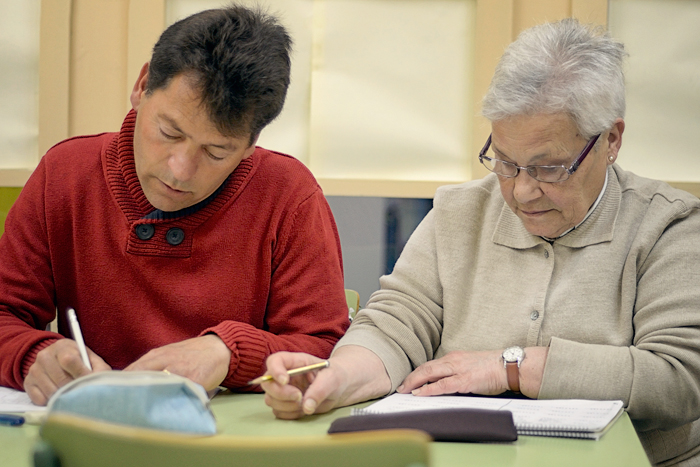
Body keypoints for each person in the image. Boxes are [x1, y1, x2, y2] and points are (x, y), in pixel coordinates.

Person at [261, 19, 700, 466]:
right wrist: (335, 378)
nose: (522, 191)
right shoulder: (459, 212)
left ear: (611, 140)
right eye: (505, 161)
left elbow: (679, 379)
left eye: (549, 168)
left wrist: (511, 367)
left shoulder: (667, 225)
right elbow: (396, 323)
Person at [0, 6, 349, 406]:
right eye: (168, 132)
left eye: (216, 151)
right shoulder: (65, 174)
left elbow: (326, 348)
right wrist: (32, 355)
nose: (180, 170)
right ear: (142, 85)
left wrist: (227, 353)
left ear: (252, 142)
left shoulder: (287, 195)